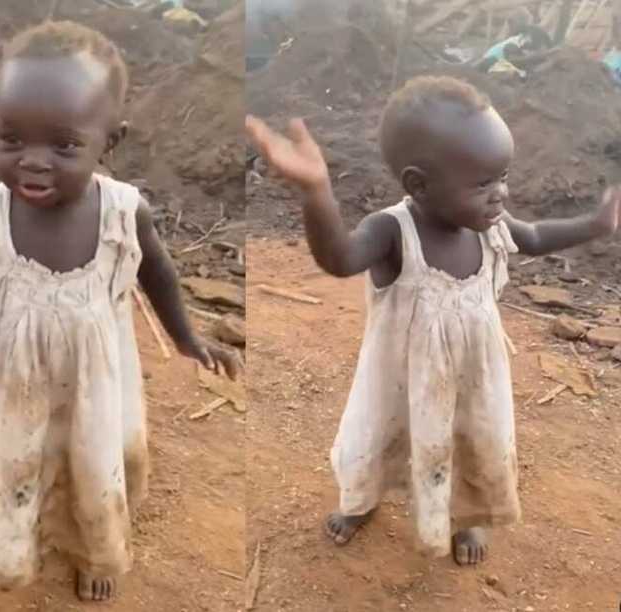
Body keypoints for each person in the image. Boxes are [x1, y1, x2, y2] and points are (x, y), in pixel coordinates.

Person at [0, 20, 242, 601]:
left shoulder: (125, 213)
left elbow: (159, 277)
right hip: (5, 378)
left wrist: (187, 338)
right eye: (12, 139)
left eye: (64, 145)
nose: (33, 162)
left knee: (91, 458)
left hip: (91, 383)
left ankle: (92, 545)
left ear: (109, 142)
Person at [245, 76, 619, 565]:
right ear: (418, 183)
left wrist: (596, 224)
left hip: (472, 379)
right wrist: (317, 192)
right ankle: (363, 500)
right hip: (400, 379)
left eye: (503, 177)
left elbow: (536, 236)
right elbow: (338, 258)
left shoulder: (491, 227)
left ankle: (467, 516)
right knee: (381, 437)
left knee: (471, 441)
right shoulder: (390, 231)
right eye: (483, 183)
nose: (500, 194)